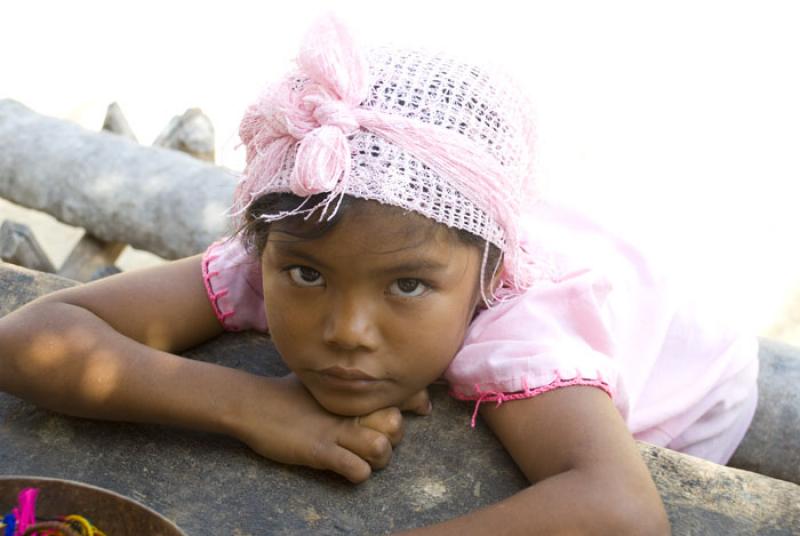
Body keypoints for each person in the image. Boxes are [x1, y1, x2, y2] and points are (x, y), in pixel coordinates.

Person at [0, 15, 759, 535]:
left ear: (487, 276)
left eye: (405, 287)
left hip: (689, 376)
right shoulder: (307, 232)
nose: (347, 332)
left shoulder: (521, 327)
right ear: (265, 246)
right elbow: (32, 338)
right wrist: (251, 405)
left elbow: (621, 510)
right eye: (305, 277)